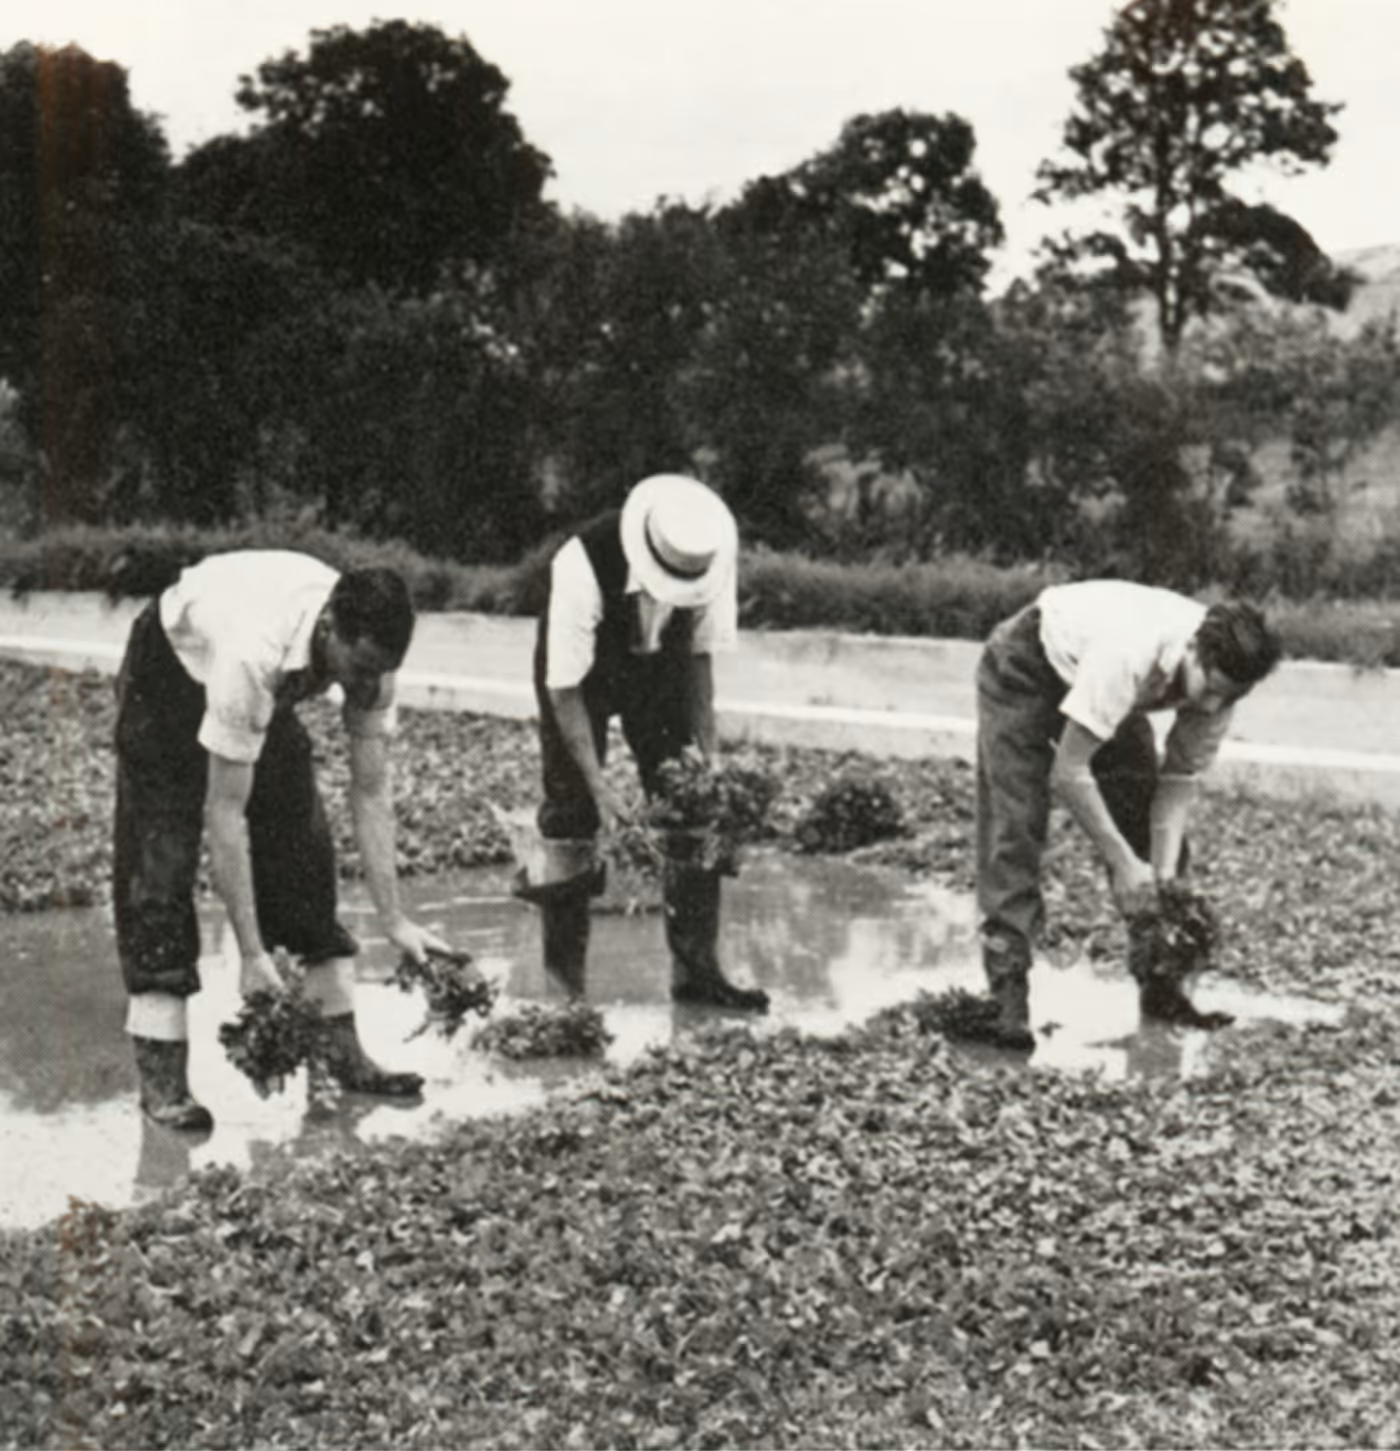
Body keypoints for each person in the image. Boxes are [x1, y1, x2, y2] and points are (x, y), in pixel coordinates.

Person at [113, 550, 454, 1131]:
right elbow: (226, 815)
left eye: (380, 672)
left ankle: (342, 1054)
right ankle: (163, 1081)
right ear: (330, 630)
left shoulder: (374, 658)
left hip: (262, 677)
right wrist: (250, 955)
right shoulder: (253, 653)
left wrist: (395, 918)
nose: (367, 686)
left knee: (302, 845)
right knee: (160, 860)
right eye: (360, 667)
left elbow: (370, 792)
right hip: (168, 678)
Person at [976, 580, 1282, 1050]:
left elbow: (1177, 784)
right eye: (1211, 690)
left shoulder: (1223, 687)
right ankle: (1007, 997)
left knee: (1149, 823)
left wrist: (1158, 877)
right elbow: (1069, 771)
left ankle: (1162, 987)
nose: (1213, 706)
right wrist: (1122, 863)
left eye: (1229, 697)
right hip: (1029, 662)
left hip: (1107, 681)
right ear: (1195, 652)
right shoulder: (1129, 653)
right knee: (1017, 823)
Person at [525, 473, 768, 1011]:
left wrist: (710, 759)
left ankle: (697, 970)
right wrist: (600, 787)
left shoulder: (708, 559)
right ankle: (565, 991)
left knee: (691, 801)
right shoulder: (581, 564)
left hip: (660, 670)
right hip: (583, 673)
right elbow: (564, 690)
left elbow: (700, 665)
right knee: (572, 812)